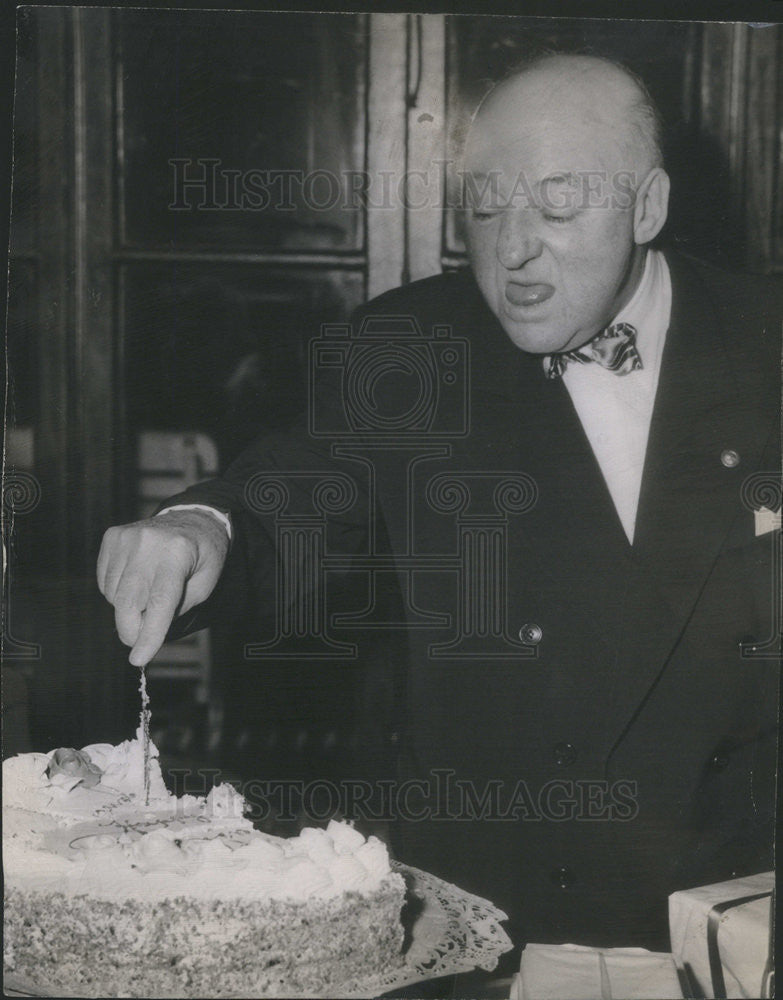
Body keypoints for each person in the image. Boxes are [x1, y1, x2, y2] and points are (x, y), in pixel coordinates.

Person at [98, 54, 780, 958]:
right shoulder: (410, 345)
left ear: (646, 207)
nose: (513, 248)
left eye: (558, 205)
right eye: (487, 207)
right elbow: (295, 495)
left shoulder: (763, 340)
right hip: (490, 925)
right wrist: (200, 528)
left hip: (732, 920)